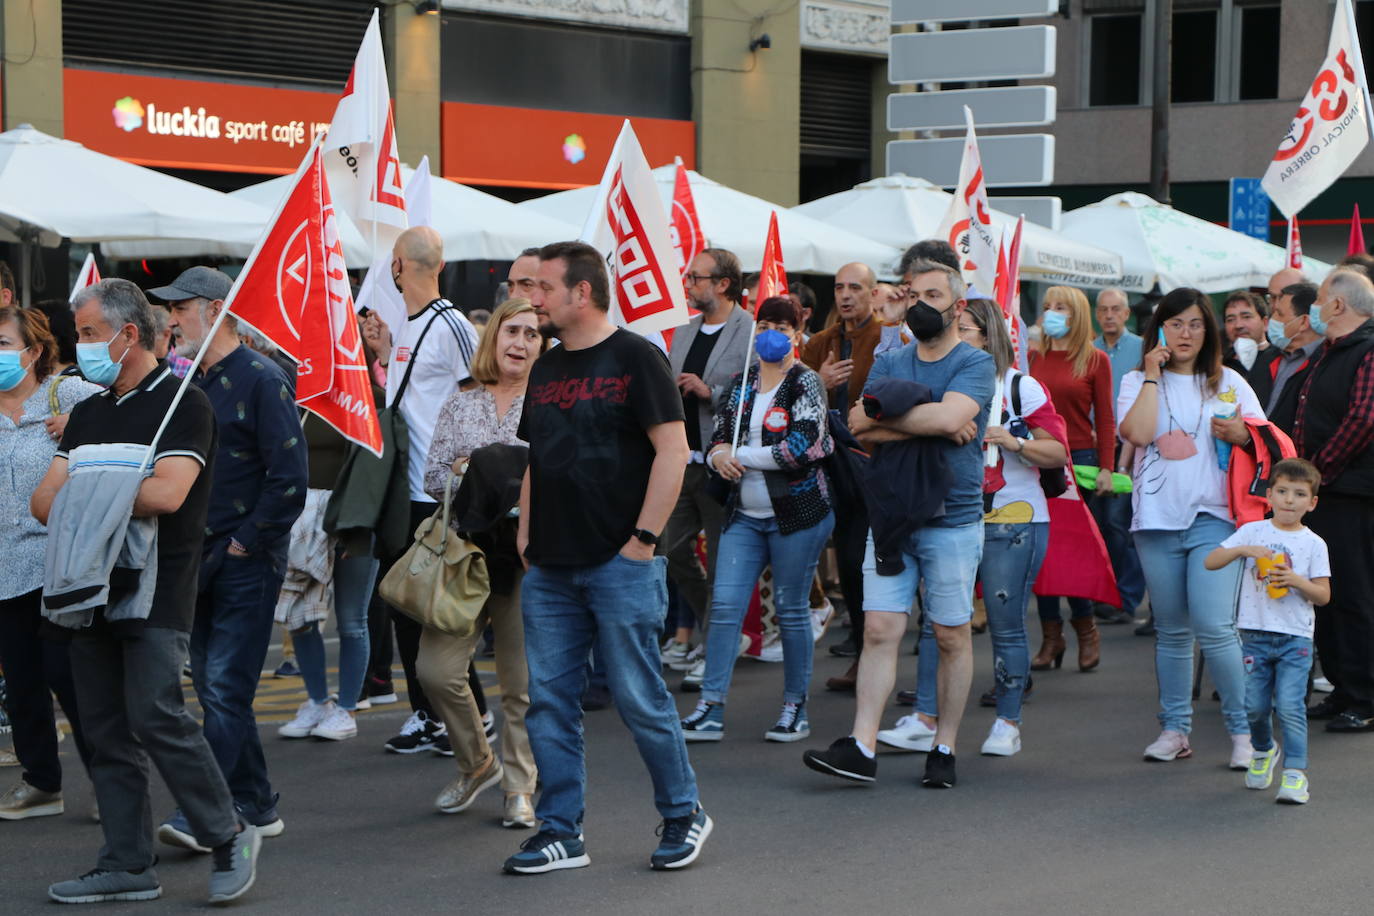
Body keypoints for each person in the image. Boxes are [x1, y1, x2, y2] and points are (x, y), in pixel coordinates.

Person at [33, 278, 259, 905]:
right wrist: (106, 492)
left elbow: (167, 495)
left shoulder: (184, 405)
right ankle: (128, 861)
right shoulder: (88, 413)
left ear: (127, 334)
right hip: (86, 587)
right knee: (104, 730)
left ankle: (229, 834)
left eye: (86, 334)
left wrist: (89, 490)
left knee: (156, 714)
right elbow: (43, 502)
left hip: (156, 589)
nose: (80, 347)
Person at [506, 241, 710, 875]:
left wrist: (641, 543)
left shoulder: (637, 356)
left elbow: (674, 453)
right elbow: (538, 455)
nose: (530, 298)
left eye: (541, 288)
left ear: (581, 292)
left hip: (619, 563)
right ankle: (560, 830)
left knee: (639, 696)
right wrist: (527, 536)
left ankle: (684, 814)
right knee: (549, 702)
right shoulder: (544, 367)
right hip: (551, 567)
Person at [802, 258, 994, 789]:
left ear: (956, 305)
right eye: (912, 295)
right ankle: (862, 746)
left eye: (932, 295)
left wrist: (911, 418)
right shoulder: (893, 360)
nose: (919, 305)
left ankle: (945, 745)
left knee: (951, 634)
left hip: (952, 519)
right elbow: (860, 426)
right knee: (881, 629)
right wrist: (930, 420)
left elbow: (953, 420)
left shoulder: (974, 364)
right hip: (890, 514)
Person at [155, 266, 307, 844]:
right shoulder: (185, 380)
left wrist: (247, 542)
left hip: (244, 558)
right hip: (193, 556)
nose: (171, 319)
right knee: (217, 689)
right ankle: (256, 803)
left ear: (216, 310)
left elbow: (290, 477)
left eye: (181, 308)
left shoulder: (262, 379)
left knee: (224, 687)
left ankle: (206, 813)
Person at [882, 299, 1066, 758]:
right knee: (937, 625)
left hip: (1013, 519)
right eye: (953, 329)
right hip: (948, 516)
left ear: (988, 336)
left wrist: (1014, 440)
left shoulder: (1022, 388)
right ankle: (925, 718)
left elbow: (1058, 453)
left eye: (964, 330)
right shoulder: (938, 382)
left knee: (1006, 626)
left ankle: (1007, 721)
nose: (955, 338)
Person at [1117, 286, 1262, 767]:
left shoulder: (1230, 383)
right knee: (1173, 632)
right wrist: (1153, 377)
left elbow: (1263, 443)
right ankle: (1174, 729)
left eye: (1196, 324)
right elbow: (1136, 435)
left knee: (1215, 626)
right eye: (1175, 323)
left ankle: (1246, 733)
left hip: (1215, 518)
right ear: (1159, 328)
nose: (1185, 333)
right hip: (1156, 520)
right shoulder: (1138, 379)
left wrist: (1241, 433)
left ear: (1209, 332)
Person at [680, 296, 834, 743]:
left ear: (796, 333)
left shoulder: (806, 384)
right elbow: (720, 436)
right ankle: (710, 707)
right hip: (743, 515)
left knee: (790, 610)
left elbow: (799, 448)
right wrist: (718, 455)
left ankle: (794, 707)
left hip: (798, 515)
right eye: (764, 324)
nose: (771, 333)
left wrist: (735, 454)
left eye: (781, 327)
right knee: (725, 607)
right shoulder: (741, 382)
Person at [417, 298, 544, 829]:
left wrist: (498, 471)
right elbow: (431, 479)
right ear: (493, 338)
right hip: (464, 556)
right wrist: (473, 473)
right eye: (510, 331)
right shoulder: (460, 403)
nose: (519, 342)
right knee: (436, 672)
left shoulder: (549, 402)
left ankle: (520, 788)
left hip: (525, 556)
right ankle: (477, 765)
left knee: (519, 685)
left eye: (532, 334)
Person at [363, 226, 481, 754]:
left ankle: (469, 713)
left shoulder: (451, 323)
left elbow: (478, 392)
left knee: (441, 610)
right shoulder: (408, 328)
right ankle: (427, 716)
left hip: (438, 496)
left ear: (398, 266)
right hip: (403, 490)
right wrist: (386, 353)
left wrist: (465, 466)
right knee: (405, 604)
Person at [0, 308, 101, 820]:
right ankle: (42, 781)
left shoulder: (71, 397)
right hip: (4, 571)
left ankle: (112, 782)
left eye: (1, 343)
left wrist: (82, 429)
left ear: (33, 351)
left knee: (73, 678)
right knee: (21, 684)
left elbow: (130, 430)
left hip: (63, 565)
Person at [1205, 458, 1330, 805]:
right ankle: (1263, 751)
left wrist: (1296, 581)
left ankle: (1295, 774)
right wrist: (1242, 550)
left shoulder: (1314, 544)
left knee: (1290, 705)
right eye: (1283, 491)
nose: (1290, 500)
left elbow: (1323, 595)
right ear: (1269, 495)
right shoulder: (1253, 532)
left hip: (1295, 638)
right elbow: (1211, 561)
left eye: (1300, 494)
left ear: (1312, 502)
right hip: (1255, 636)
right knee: (1254, 707)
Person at [661, 249, 753, 676]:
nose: (688, 283)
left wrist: (709, 391)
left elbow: (756, 390)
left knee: (719, 563)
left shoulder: (748, 329)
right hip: (683, 459)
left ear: (723, 284)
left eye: (696, 277)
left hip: (722, 463)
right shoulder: (684, 330)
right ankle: (717, 630)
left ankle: (718, 647)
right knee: (668, 550)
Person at [1293, 268, 1374, 732]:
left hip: (1349, 493)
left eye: (1319, 299)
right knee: (1329, 594)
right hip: (1326, 492)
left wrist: (1315, 472)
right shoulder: (1330, 352)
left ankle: (1363, 697)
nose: (1314, 309)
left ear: (1338, 305)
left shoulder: (1367, 350)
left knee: (1355, 596)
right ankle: (1344, 689)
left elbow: (1364, 419)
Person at [274, 400, 382, 743]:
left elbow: (376, 470)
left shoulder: (370, 398)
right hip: (305, 522)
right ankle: (318, 702)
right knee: (300, 617)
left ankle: (347, 708)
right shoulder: (302, 400)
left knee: (351, 621)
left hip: (354, 523)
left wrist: (361, 526)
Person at [801, 262, 882, 677]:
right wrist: (819, 378)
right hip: (823, 459)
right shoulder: (819, 343)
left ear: (873, 292)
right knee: (832, 555)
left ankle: (868, 647)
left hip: (868, 461)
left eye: (855, 287)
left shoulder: (886, 337)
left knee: (854, 557)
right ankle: (855, 633)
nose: (845, 295)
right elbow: (790, 396)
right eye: (838, 287)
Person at [1029, 286, 1113, 670]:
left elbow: (1106, 419)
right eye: (1047, 307)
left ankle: (1085, 629)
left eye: (1060, 307)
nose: (1051, 313)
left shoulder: (1095, 360)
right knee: (1043, 550)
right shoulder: (1034, 357)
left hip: (1078, 460)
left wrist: (1108, 467)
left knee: (1073, 549)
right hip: (1038, 457)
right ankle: (1052, 636)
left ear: (1077, 314)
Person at [1090, 287, 1146, 625]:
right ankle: (1104, 592)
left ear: (1126, 314)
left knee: (1120, 522)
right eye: (1104, 310)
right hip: (1093, 448)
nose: (1109, 315)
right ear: (1097, 314)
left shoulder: (1141, 349)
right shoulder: (1089, 350)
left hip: (1129, 446)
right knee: (1099, 523)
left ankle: (1126, 597)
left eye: (1116, 310)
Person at [1249, 282, 1321, 435]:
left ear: (1303, 322)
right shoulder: (1268, 357)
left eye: (1279, 314)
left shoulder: (1323, 363)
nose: (1272, 319)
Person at [1222, 290, 1270, 372]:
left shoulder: (1279, 362)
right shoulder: (1222, 365)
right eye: (1231, 320)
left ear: (1265, 323)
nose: (1238, 325)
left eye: (1246, 317)